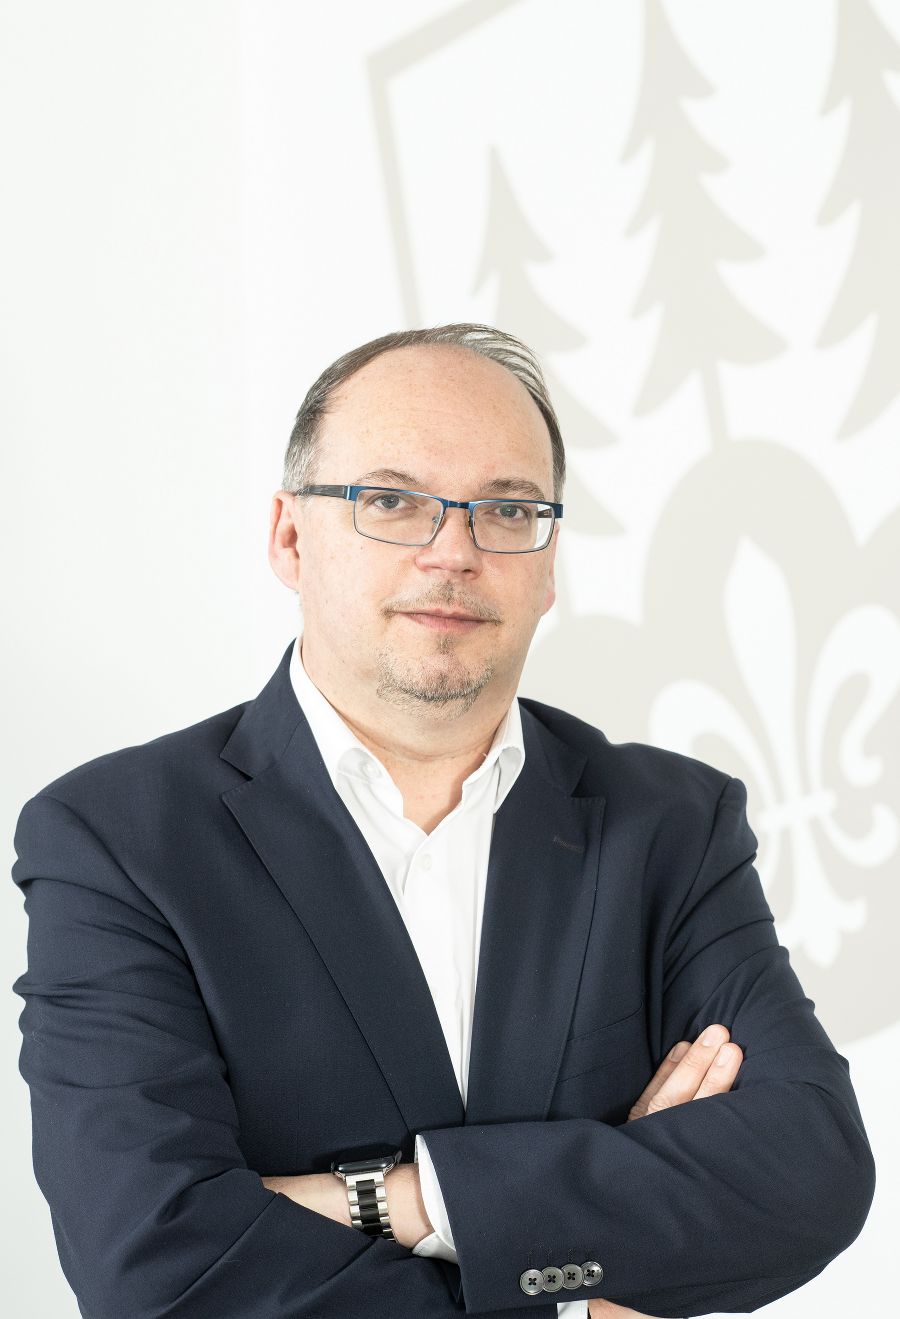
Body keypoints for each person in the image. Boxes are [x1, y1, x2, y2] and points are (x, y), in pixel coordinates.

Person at [11, 324, 874, 1319]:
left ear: (548, 566)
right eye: (391, 500)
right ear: (290, 537)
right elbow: (156, 1265)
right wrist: (578, 1277)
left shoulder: (673, 825)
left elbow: (811, 1169)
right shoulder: (118, 840)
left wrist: (401, 1196)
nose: (454, 550)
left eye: (508, 509)